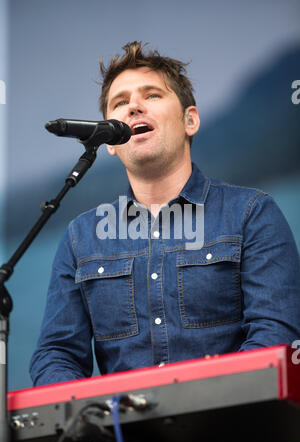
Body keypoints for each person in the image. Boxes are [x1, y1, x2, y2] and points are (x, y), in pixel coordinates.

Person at [30, 41, 300, 387]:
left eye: (152, 95)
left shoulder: (252, 214)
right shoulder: (80, 239)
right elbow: (57, 353)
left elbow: (276, 334)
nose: (134, 107)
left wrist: (202, 403)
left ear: (190, 120)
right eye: (120, 102)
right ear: (109, 143)